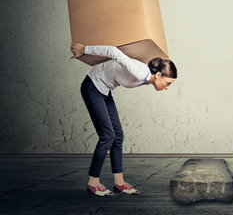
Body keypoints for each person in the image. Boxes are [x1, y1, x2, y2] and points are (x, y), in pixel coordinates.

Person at [70, 42, 177, 196]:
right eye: (167, 83)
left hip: (105, 89)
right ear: (159, 75)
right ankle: (93, 183)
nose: (166, 87)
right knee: (107, 136)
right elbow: (114, 51)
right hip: (92, 87)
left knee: (118, 136)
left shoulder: (146, 76)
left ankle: (119, 183)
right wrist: (83, 50)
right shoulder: (141, 73)